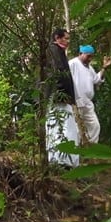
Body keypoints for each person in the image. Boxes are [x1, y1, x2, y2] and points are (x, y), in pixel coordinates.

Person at [45, 28, 80, 168]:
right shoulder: (54, 51)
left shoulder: (56, 52)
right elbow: (58, 74)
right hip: (58, 98)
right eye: (65, 38)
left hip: (56, 97)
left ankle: (58, 160)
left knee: (59, 127)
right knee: (64, 128)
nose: (67, 42)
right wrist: (63, 95)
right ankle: (64, 161)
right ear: (57, 38)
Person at [68, 45, 111, 144]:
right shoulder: (73, 64)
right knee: (76, 128)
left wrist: (104, 68)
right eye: (88, 56)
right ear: (80, 54)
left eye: (91, 56)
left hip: (87, 103)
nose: (90, 59)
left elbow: (96, 80)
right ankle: (76, 151)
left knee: (94, 126)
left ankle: (91, 149)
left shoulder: (89, 67)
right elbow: (65, 79)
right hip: (76, 102)